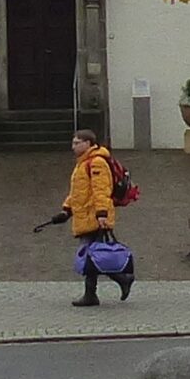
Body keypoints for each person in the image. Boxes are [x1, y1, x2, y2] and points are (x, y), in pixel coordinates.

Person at [36, 128, 134, 306]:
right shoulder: (83, 163)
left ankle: (94, 293)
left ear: (88, 143)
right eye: (73, 142)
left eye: (77, 143)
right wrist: (67, 209)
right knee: (93, 256)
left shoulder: (96, 163)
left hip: (94, 217)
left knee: (91, 255)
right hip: (86, 215)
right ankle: (119, 280)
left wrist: (102, 214)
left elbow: (101, 190)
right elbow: (79, 192)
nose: (73, 146)